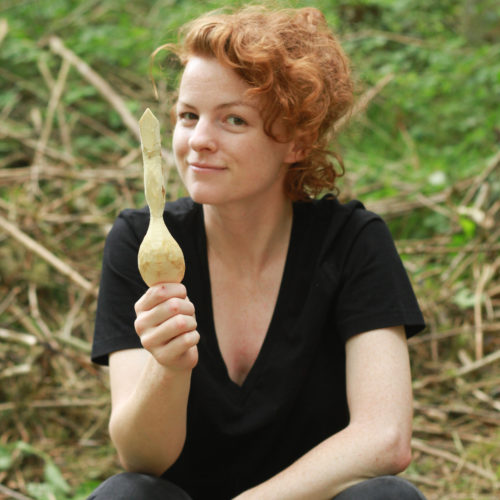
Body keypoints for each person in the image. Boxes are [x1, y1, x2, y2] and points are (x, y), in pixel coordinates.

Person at [89, 5, 427, 500]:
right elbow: (141, 460)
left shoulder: (352, 242)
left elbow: (385, 438)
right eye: (188, 116)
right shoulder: (143, 243)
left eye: (233, 119)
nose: (199, 141)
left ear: (296, 140)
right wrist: (168, 365)